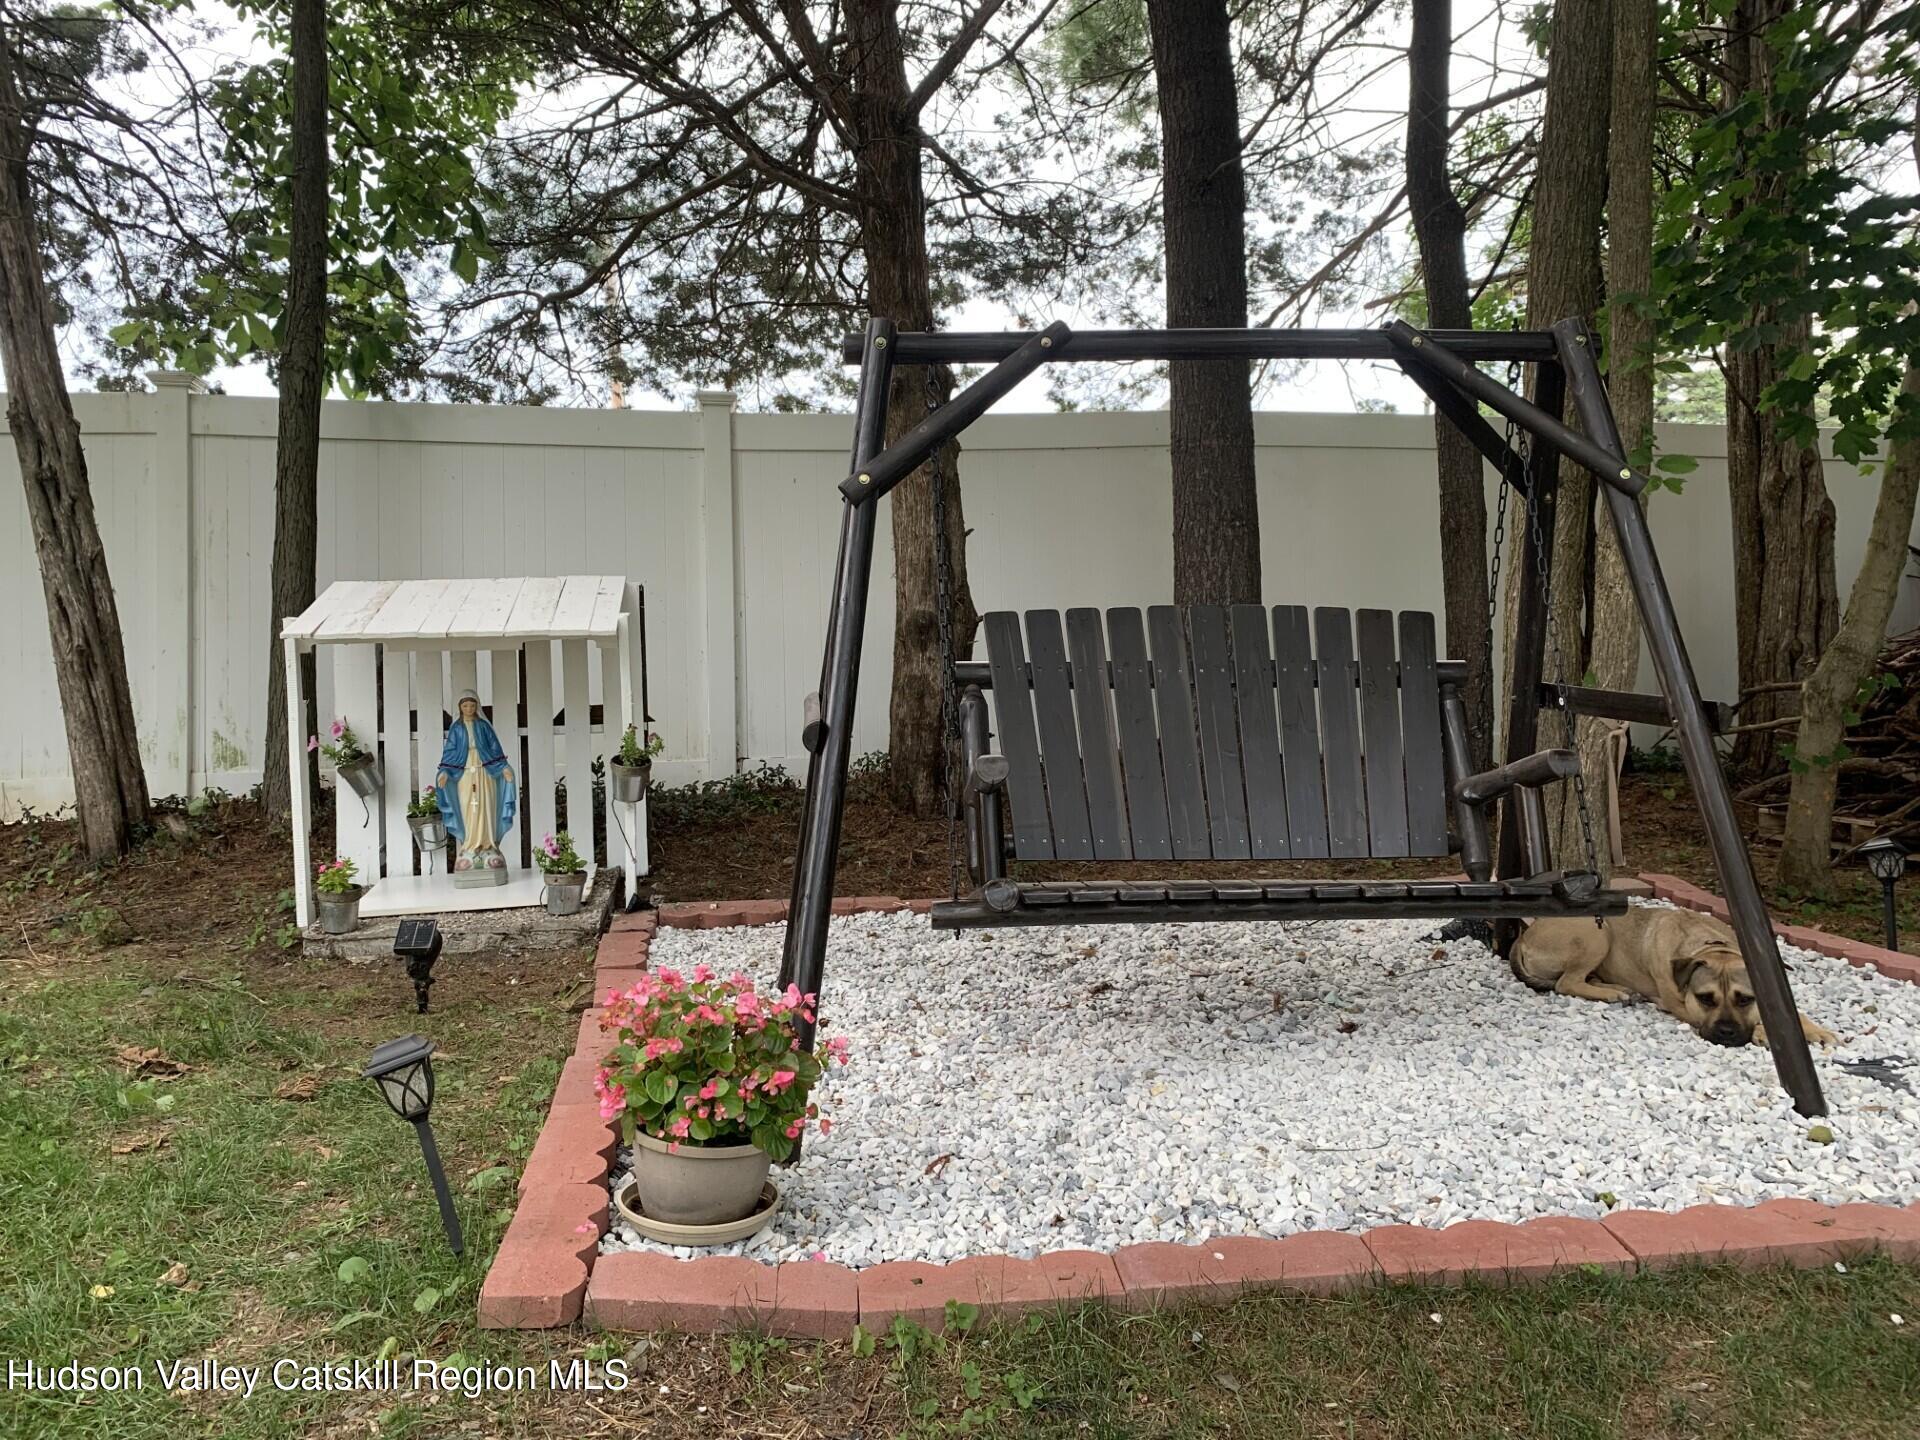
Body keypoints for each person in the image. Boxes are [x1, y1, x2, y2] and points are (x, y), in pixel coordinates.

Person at [435, 690, 516, 882]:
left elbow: (495, 749)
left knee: (486, 805)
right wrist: (445, 771)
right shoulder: (457, 728)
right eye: (465, 706)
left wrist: (503, 767)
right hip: (463, 772)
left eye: (472, 705)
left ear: (477, 707)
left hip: (485, 770)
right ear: (460, 708)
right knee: (467, 808)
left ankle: (488, 845)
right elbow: (450, 752)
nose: (469, 709)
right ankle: (470, 845)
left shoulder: (483, 727)